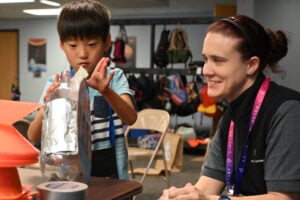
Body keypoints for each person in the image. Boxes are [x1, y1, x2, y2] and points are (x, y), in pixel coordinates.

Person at [160, 15, 300, 200]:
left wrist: (212, 199)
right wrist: (181, 196)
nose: (206, 70)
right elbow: (207, 185)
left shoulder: (287, 110)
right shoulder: (231, 116)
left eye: (218, 60)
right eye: (206, 59)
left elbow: (283, 198)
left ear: (251, 65)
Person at [27, 0, 137, 180]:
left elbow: (131, 118)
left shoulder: (114, 77)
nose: (83, 53)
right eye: (73, 45)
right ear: (62, 45)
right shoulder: (56, 83)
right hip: (70, 172)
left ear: (107, 42)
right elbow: (33, 136)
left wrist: (106, 91)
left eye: (92, 44)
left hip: (112, 173)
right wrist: (47, 107)